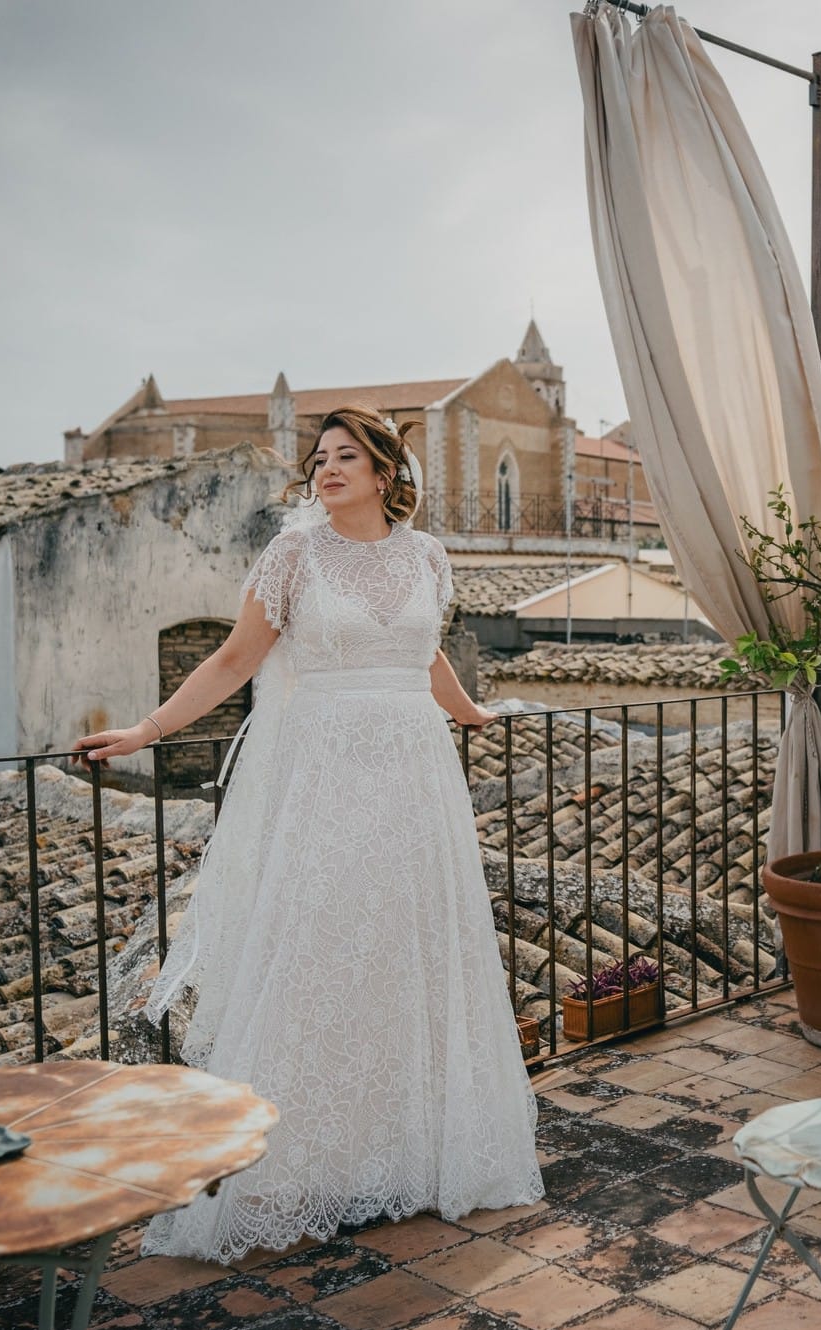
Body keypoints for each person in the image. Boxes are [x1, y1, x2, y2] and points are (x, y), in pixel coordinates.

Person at [76, 405, 543, 1264]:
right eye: (318, 457)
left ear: (384, 471)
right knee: (320, 952)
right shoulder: (294, 554)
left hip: (416, 782)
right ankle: (299, 1163)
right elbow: (230, 660)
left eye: (345, 456)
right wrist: (144, 731)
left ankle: (406, 1150)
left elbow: (425, 654)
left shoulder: (427, 555)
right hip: (327, 783)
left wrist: (472, 713)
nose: (326, 469)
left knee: (410, 951)